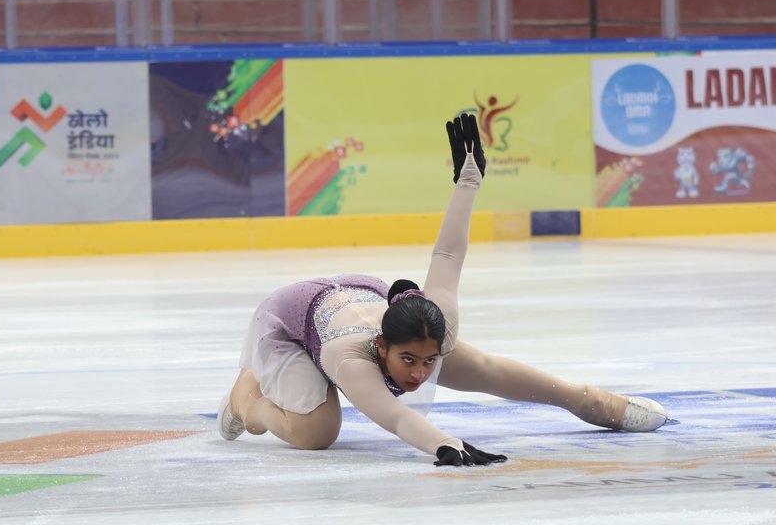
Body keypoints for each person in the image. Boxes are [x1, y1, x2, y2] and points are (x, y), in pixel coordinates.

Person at [217, 113, 668, 467]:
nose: (419, 373)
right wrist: (445, 444)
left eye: (429, 360)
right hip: (291, 327)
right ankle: (245, 399)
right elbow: (396, 417)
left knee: (484, 369)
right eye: (408, 361)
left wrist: (468, 181)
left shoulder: (435, 327)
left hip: (357, 294)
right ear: (382, 347)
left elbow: (448, 256)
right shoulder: (351, 359)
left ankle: (599, 402)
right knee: (317, 432)